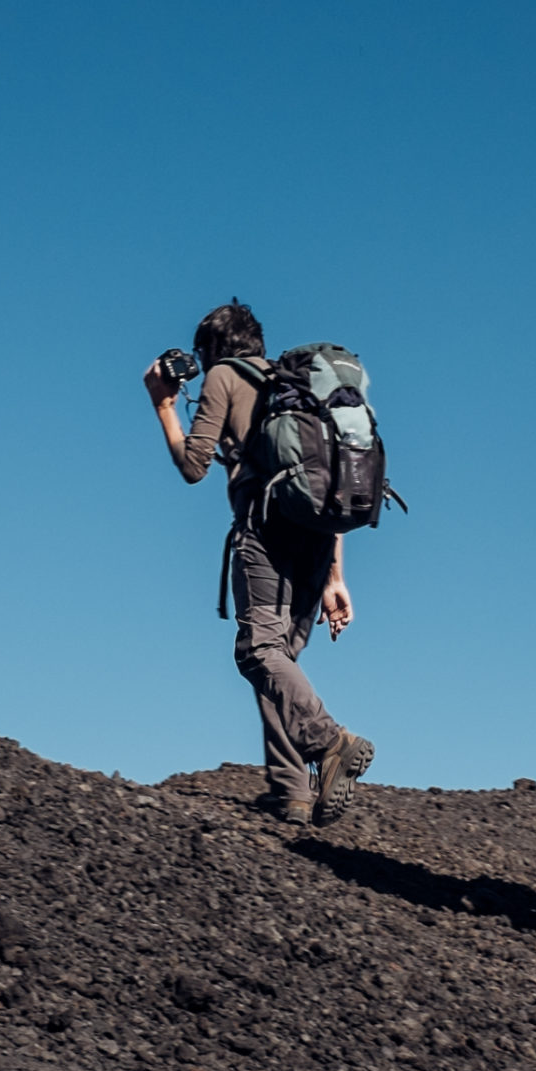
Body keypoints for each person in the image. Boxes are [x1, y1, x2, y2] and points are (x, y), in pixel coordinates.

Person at [144, 301, 375, 827]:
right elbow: (322, 479)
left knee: (259, 653)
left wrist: (164, 406)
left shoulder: (225, 376)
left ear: (210, 350)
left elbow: (193, 465)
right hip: (317, 539)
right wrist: (337, 577)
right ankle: (292, 790)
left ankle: (331, 742)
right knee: (281, 661)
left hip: (265, 532)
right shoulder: (292, 387)